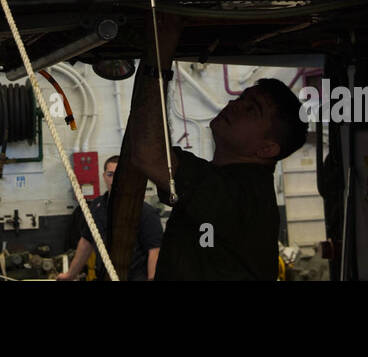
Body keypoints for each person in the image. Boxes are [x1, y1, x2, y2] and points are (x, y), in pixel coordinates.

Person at [122, 15, 306, 280]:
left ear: (267, 149)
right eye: (242, 98)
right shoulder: (224, 182)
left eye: (251, 110)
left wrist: (162, 48)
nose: (235, 104)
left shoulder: (241, 194)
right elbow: (153, 151)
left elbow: (149, 154)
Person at [56, 155, 162, 281]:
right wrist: (70, 275)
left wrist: (151, 278)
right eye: (110, 175)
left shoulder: (145, 212)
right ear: (104, 176)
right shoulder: (96, 208)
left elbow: (154, 250)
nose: (114, 179)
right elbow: (86, 243)